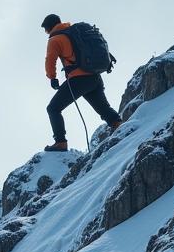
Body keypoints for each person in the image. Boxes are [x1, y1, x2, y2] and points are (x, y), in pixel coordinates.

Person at [41, 14, 121, 152]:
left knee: (53, 108)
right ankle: (119, 126)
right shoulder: (75, 31)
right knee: (103, 108)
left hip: (78, 79)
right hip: (94, 76)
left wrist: (52, 78)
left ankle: (60, 142)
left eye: (45, 30)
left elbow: (50, 60)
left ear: (48, 28)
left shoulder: (55, 39)